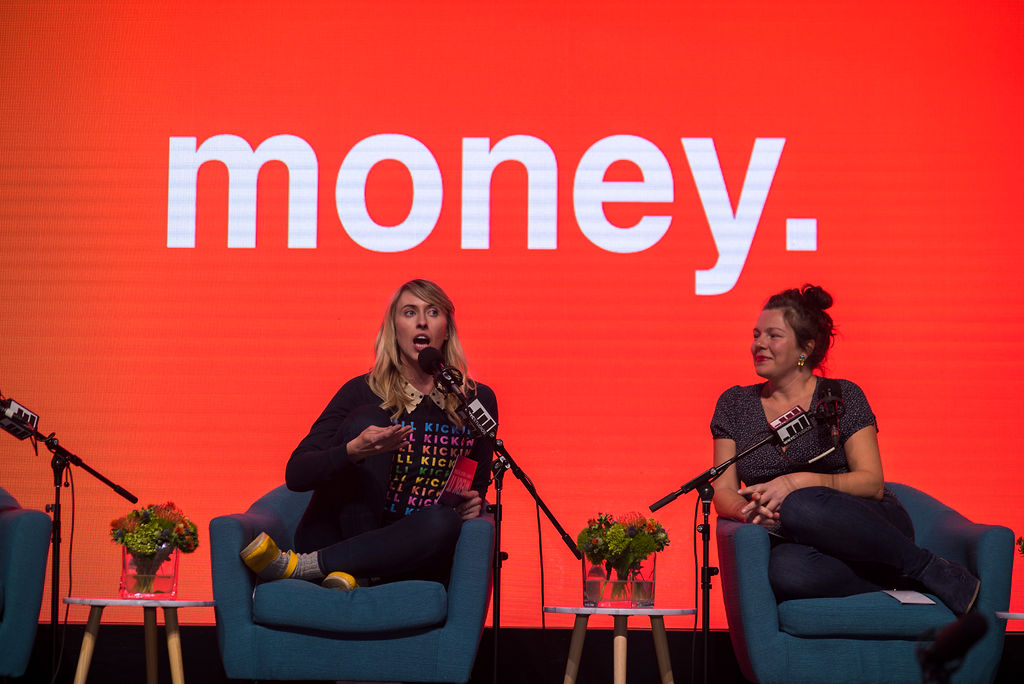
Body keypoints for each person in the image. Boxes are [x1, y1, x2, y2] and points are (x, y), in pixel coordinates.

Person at [709, 284, 980, 614]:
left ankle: (929, 567)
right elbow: (723, 489)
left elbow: (872, 483)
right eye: (756, 334)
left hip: (870, 523)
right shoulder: (734, 404)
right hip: (792, 537)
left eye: (773, 336)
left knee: (800, 504)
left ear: (804, 349)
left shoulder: (841, 395)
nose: (759, 344)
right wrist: (745, 511)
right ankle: (901, 574)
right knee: (786, 573)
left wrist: (796, 483)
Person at [241, 279, 497, 590]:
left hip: (412, 545)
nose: (421, 321)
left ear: (446, 329)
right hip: (340, 533)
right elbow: (297, 474)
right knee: (368, 418)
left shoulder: (475, 400)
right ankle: (347, 569)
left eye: (432, 312)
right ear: (394, 328)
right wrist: (353, 451)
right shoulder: (361, 391)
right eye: (409, 312)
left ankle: (311, 567)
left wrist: (473, 503)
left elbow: (477, 482)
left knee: (443, 520)